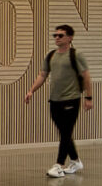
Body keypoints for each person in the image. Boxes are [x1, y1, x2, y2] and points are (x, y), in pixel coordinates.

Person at [24, 24, 93, 177]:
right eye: (55, 35)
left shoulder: (76, 55)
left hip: (72, 99)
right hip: (55, 100)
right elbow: (42, 75)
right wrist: (31, 91)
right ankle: (75, 160)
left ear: (69, 38)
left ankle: (59, 165)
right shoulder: (51, 56)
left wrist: (88, 97)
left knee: (66, 132)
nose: (57, 38)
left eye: (60, 35)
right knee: (63, 132)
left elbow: (86, 76)